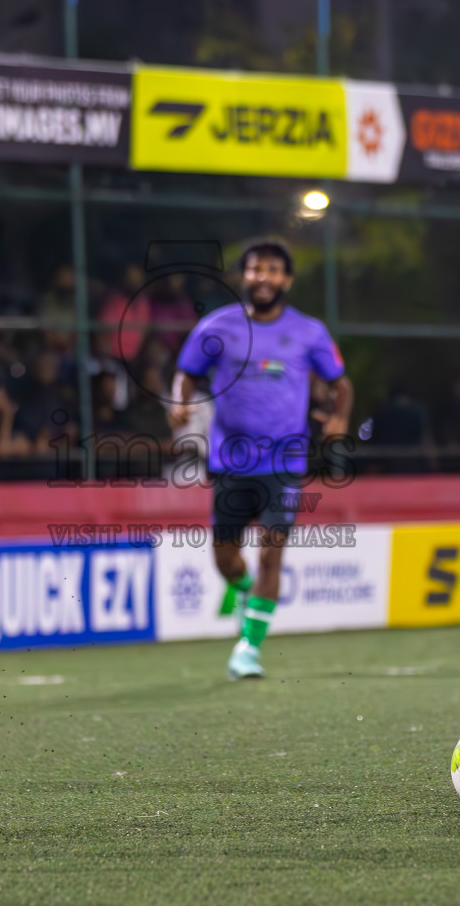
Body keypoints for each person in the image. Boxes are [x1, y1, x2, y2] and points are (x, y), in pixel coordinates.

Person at [167, 239, 352, 680]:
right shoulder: (218, 326)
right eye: (254, 269)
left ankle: (248, 648)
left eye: (272, 269)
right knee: (225, 559)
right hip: (230, 461)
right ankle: (244, 590)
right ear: (243, 277)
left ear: (286, 279)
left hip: (285, 462)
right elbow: (186, 373)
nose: (262, 277)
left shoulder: (310, 332)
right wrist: (179, 402)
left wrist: (339, 419)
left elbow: (340, 384)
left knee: (272, 553)